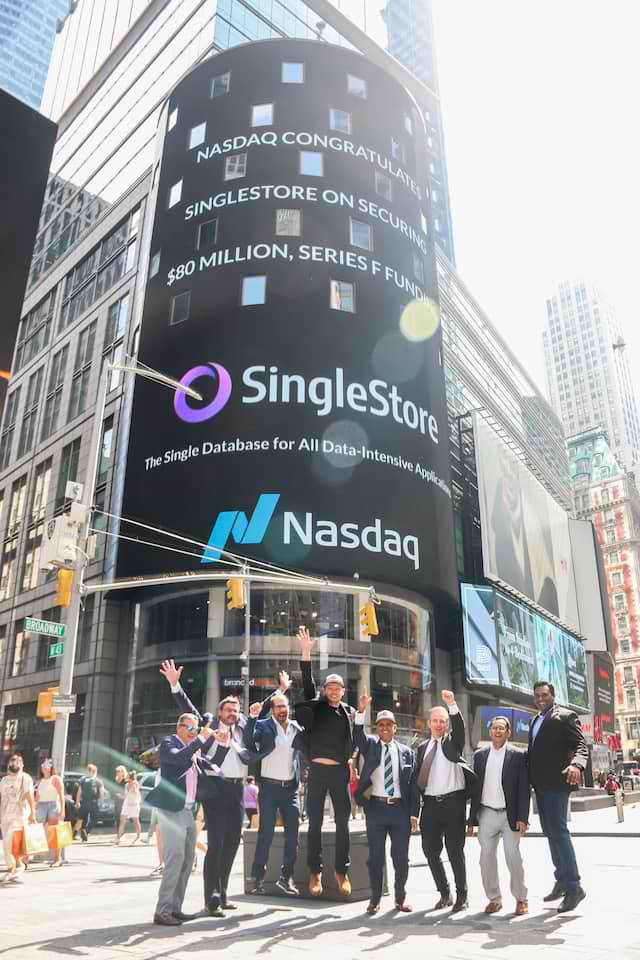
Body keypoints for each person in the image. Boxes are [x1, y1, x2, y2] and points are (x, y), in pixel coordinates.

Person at [160, 659, 275, 916]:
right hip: (216, 790)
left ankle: (222, 895)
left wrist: (281, 691)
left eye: (236, 710)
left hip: (237, 792)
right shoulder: (208, 725)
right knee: (217, 844)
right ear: (220, 711)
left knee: (233, 842)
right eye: (229, 710)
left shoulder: (243, 728)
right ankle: (210, 897)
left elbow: (264, 713)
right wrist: (175, 684)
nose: (233, 714)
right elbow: (186, 707)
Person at [145, 712, 228, 926]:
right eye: (190, 728)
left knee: (187, 861)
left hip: (187, 810)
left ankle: (175, 908)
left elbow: (212, 763)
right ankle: (162, 911)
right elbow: (177, 759)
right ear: (179, 727)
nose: (194, 732)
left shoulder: (193, 749)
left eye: (195, 728)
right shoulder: (169, 743)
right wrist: (201, 738)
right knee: (175, 861)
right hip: (171, 809)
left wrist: (222, 744)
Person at [295, 625, 356, 897]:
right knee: (315, 823)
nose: (333, 690)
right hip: (317, 772)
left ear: (343, 691)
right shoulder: (316, 708)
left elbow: (356, 740)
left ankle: (341, 871)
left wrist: (352, 762)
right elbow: (307, 686)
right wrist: (306, 653)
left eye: (338, 687)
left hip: (339, 773)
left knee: (344, 823)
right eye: (329, 686)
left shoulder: (349, 713)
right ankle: (315, 873)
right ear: (325, 690)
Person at [412, 691, 478, 913]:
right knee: (430, 851)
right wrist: (414, 811)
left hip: (453, 804)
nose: (439, 725)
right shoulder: (422, 748)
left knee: (454, 851)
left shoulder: (453, 741)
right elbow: (416, 780)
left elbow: (460, 728)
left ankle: (463, 895)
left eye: (443, 721)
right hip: (429, 805)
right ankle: (445, 893)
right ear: (429, 723)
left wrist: (451, 704)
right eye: (435, 721)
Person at [527, 680, 588, 913]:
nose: (540, 698)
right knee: (550, 833)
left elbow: (581, 745)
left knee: (559, 833)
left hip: (558, 784)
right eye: (537, 696)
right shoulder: (535, 720)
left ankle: (575, 887)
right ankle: (562, 881)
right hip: (540, 788)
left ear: (552, 695)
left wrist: (577, 765)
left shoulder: (565, 715)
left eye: (544, 695)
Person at [354, 692, 417, 915]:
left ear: (395, 728)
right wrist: (361, 712)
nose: (384, 728)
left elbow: (413, 786)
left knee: (401, 858)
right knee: (375, 858)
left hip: (400, 810)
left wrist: (413, 814)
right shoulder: (371, 746)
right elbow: (358, 737)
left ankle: (400, 898)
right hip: (376, 809)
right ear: (377, 728)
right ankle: (375, 898)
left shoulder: (407, 753)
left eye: (388, 725)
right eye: (380, 725)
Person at [467, 716, 530, 915]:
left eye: (502, 728)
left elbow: (524, 789)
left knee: (513, 857)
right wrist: (472, 820)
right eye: (494, 728)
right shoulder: (480, 755)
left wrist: (523, 818)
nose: (498, 731)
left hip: (509, 816)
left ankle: (521, 899)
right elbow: (475, 789)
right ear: (490, 731)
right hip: (486, 813)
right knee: (486, 858)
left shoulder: (518, 755)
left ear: (508, 732)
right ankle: (494, 899)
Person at [249, 685, 306, 896]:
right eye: (278, 706)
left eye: (285, 706)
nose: (282, 710)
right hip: (269, 789)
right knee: (266, 834)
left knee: (293, 835)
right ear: (272, 709)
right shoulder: (263, 727)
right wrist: (256, 714)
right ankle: (257, 878)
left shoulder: (296, 728)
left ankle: (286, 877)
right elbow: (248, 738)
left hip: (290, 789)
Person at [1, 753, 36, 883]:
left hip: (19, 816)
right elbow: (2, 798)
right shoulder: (4, 780)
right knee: (6, 845)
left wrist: (33, 813)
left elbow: (29, 796)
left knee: (10, 841)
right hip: (5, 817)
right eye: (12, 760)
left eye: (17, 761)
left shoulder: (25, 778)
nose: (14, 763)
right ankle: (12, 867)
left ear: (22, 764)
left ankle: (19, 865)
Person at [35, 759, 66, 867]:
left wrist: (62, 810)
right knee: (36, 830)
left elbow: (61, 795)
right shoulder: (40, 781)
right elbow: (37, 797)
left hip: (53, 804)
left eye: (47, 765)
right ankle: (32, 855)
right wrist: (34, 808)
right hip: (41, 805)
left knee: (55, 832)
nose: (44, 767)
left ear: (51, 767)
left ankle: (58, 858)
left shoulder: (55, 779)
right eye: (43, 765)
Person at [74, 764, 104, 841]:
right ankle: (86, 831)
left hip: (84, 802)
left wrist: (77, 802)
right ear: (95, 771)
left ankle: (74, 834)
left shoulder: (83, 779)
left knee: (81, 818)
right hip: (93, 802)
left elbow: (79, 792)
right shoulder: (98, 781)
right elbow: (101, 793)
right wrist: (101, 803)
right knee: (94, 818)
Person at [116, 771, 142, 844]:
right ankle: (119, 837)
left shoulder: (135, 784)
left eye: (127, 776)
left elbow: (135, 793)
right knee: (122, 820)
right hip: (126, 804)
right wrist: (123, 796)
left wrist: (134, 788)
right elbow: (127, 795)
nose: (126, 778)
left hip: (134, 804)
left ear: (130, 777)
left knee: (136, 821)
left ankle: (138, 837)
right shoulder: (126, 785)